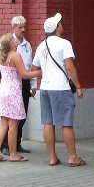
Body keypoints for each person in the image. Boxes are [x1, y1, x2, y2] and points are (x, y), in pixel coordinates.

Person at [32, 13, 86, 167]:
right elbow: (69, 66)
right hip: (60, 88)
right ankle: (73, 157)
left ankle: (52, 157)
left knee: (48, 122)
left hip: (45, 88)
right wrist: (79, 86)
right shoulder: (64, 43)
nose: (62, 24)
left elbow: (35, 67)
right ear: (56, 28)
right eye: (59, 23)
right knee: (67, 123)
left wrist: (45, 75)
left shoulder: (41, 45)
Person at [0, 33, 42, 162]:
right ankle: (13, 155)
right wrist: (41, 72)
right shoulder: (15, 55)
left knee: (3, 125)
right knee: (13, 125)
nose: (15, 39)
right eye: (13, 39)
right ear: (11, 44)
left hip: (3, 91)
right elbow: (24, 75)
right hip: (13, 93)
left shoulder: (2, 55)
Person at [1, 15, 36, 155]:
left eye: (24, 27)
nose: (23, 29)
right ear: (14, 28)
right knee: (10, 116)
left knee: (22, 114)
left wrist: (33, 85)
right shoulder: (7, 44)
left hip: (25, 82)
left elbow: (30, 65)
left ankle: (17, 143)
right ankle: (5, 145)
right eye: (20, 27)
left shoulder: (27, 45)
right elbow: (0, 62)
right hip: (12, 82)